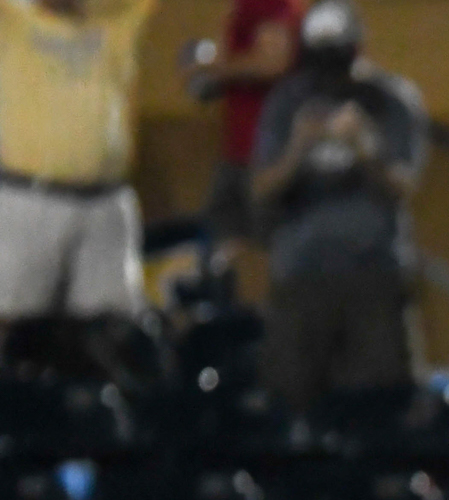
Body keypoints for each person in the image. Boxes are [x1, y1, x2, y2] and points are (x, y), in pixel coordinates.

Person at [250, 0, 425, 415]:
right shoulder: (288, 100)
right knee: (291, 403)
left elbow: (402, 187)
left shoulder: (392, 99)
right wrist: (298, 147)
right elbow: (261, 188)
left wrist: (365, 149)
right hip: (301, 275)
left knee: (381, 407)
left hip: (373, 275)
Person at [0, 0, 155, 339]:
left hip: (106, 203)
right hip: (27, 198)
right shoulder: (13, 16)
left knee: (112, 331)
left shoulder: (120, 16)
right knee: (10, 321)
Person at [183, 0, 302, 251]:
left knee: (262, 249)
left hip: (261, 155)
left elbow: (272, 62)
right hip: (238, 152)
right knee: (224, 248)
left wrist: (213, 69)